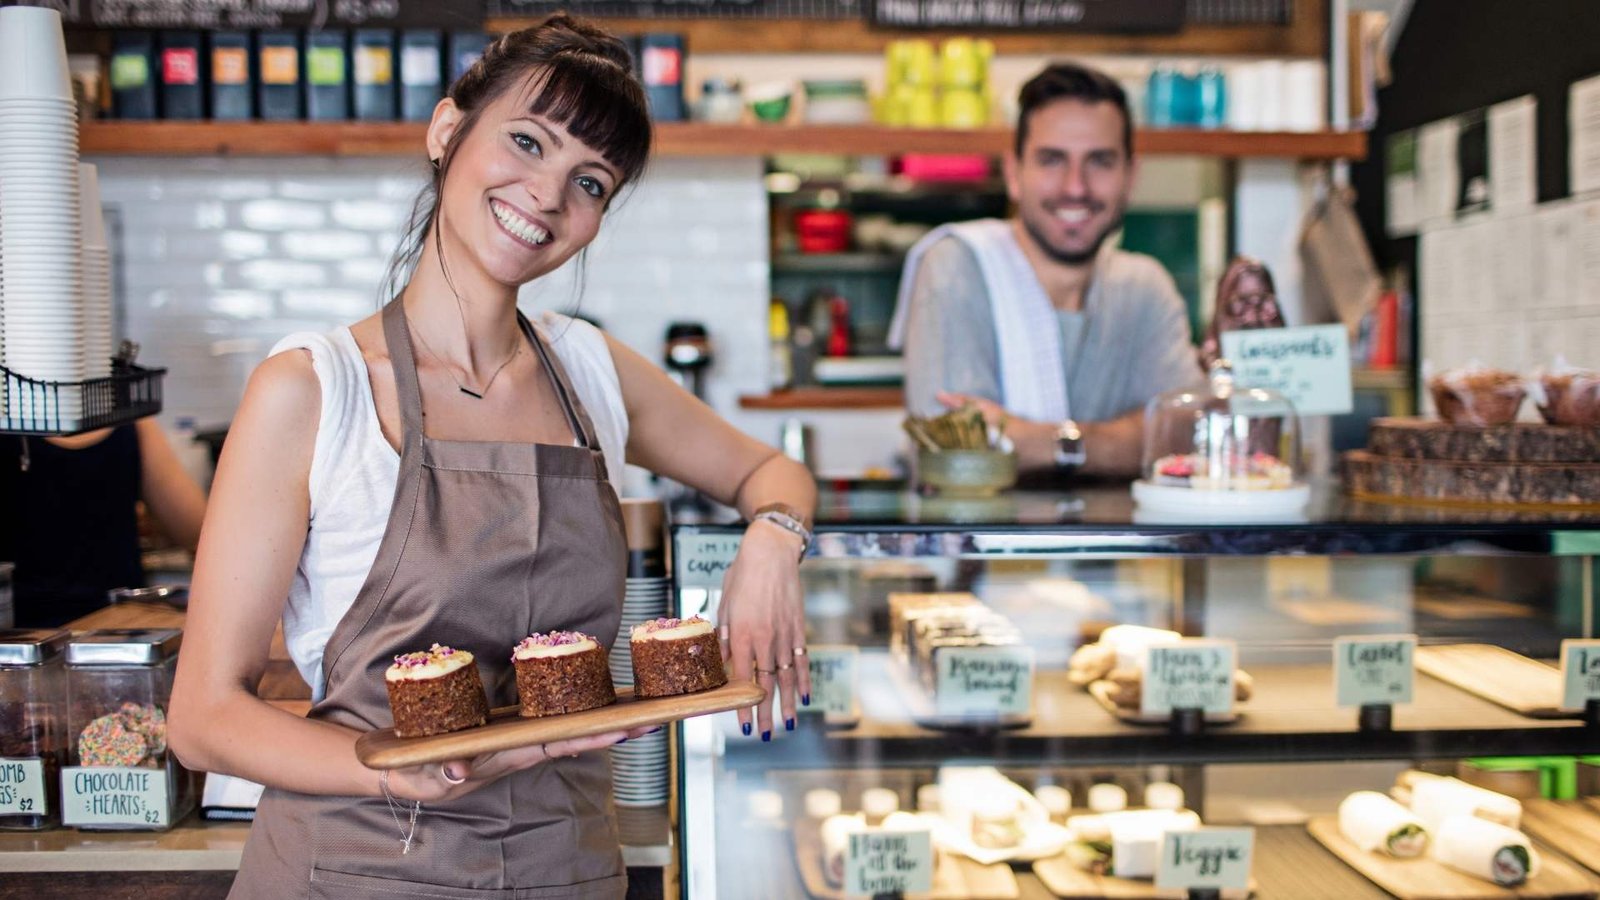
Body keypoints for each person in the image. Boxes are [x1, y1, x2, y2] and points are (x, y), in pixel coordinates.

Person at [168, 17, 816, 899]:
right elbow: (203, 717)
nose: (547, 194)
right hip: (358, 866)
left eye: (589, 181)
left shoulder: (591, 370)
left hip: (566, 868)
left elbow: (771, 474)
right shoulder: (315, 388)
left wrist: (773, 541)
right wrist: (398, 772)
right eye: (527, 141)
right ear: (446, 130)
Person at [891, 62, 1201, 478]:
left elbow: (1185, 437)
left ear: (1131, 176)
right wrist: (1123, 440)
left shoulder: (1145, 288)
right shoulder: (957, 267)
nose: (1075, 186)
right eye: (1052, 160)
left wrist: (1038, 441)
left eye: (1100, 161)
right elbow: (957, 457)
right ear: (1013, 173)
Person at [0, 419, 206, 627]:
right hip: (119, 624)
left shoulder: (131, 418)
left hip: (38, 629)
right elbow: (194, 531)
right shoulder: (131, 417)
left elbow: (194, 532)